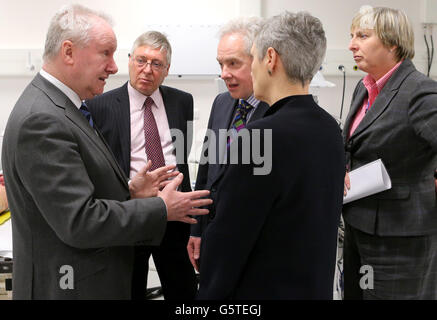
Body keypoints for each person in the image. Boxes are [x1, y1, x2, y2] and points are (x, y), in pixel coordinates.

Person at [1, 4, 211, 300]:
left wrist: (129, 191)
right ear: (69, 52)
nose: (113, 67)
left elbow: (81, 191)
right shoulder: (43, 119)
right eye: (106, 53)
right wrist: (161, 208)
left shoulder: (64, 108)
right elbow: (80, 221)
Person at [197, 11, 345, 299]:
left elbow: (229, 244)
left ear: (271, 59)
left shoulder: (257, 137)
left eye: (252, 58)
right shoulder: (330, 129)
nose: (251, 69)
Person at [87, 31, 196, 300]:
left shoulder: (182, 101)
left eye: (156, 64)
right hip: (132, 210)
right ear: (129, 61)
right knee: (129, 288)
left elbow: (181, 153)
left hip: (176, 211)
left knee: (183, 288)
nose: (147, 70)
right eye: (141, 60)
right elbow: (96, 167)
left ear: (167, 69)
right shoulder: (99, 106)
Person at [343, 6, 437, 299]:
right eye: (352, 36)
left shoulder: (419, 91)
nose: (352, 44)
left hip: (400, 239)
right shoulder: (365, 86)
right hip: (359, 226)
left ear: (393, 42)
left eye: (363, 35)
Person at [186, 17, 269, 272]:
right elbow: (206, 172)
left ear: (261, 59)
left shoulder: (280, 112)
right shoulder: (222, 103)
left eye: (233, 63)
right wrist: (197, 229)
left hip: (258, 245)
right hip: (214, 235)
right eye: (221, 64)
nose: (224, 74)